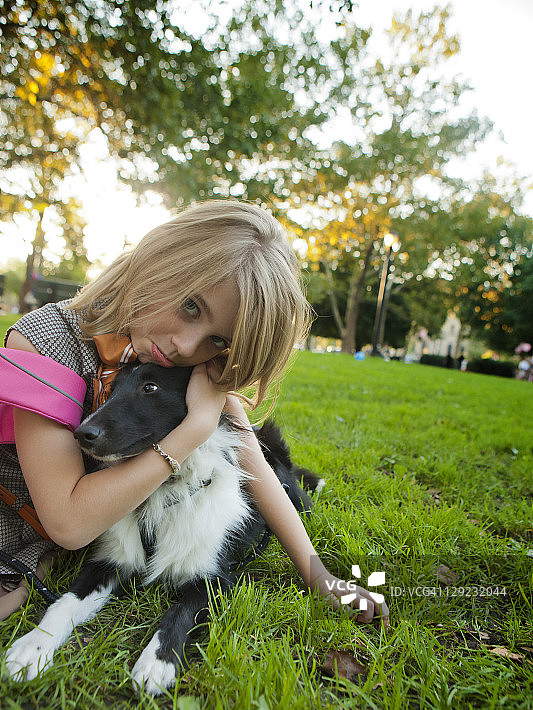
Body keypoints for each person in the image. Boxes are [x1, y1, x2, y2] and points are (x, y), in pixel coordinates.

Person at [0, 200, 389, 626]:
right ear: (162, 260)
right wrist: (193, 431)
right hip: (28, 519)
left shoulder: (183, 363)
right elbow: (70, 525)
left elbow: (253, 464)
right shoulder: (46, 341)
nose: (186, 346)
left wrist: (320, 577)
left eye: (217, 340)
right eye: (190, 306)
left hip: (93, 530)